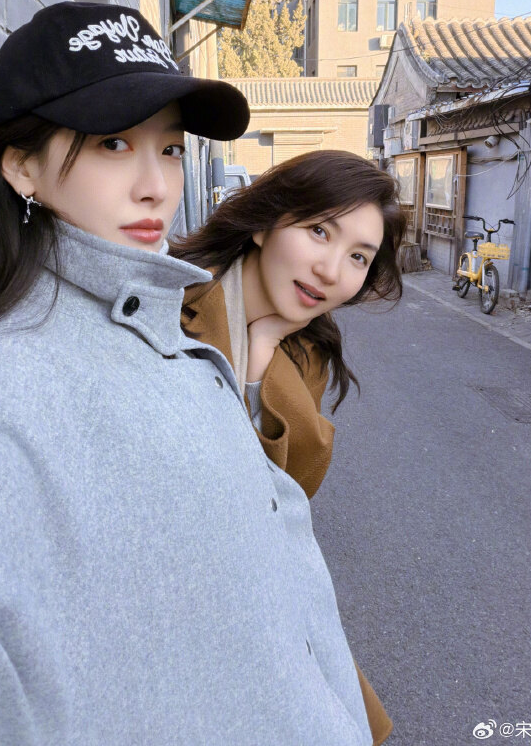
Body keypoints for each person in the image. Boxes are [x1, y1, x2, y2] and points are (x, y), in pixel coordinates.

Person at [0, 3, 374, 745]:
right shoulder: (6, 382)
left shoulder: (160, 320)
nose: (156, 186)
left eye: (169, 149)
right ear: (23, 167)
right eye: (112, 144)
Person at [171, 150, 407, 746]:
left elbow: (287, 492)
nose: (331, 271)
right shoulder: (167, 301)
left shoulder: (306, 350)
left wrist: (262, 357)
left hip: (258, 592)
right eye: (319, 231)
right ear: (263, 223)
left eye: (358, 257)